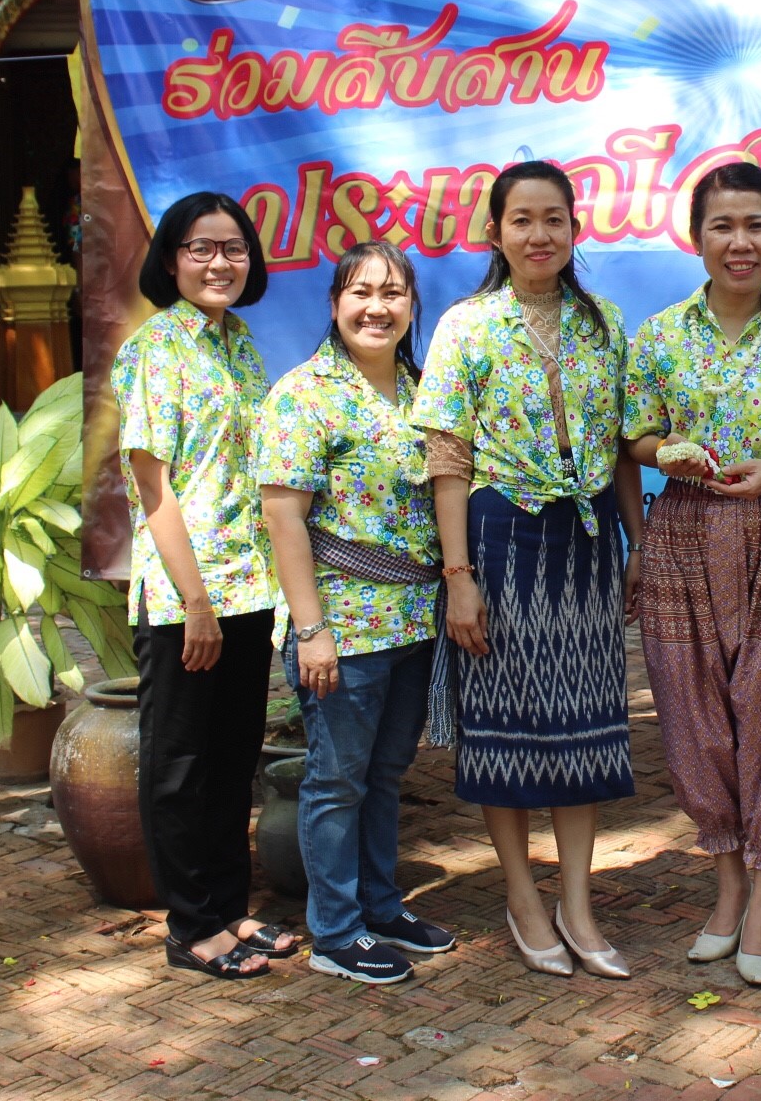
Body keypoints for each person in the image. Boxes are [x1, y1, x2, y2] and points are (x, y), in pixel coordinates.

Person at [410, 160, 645, 980]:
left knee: (583, 725)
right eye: (522, 220)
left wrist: (637, 543)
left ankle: (577, 902)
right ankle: (521, 896)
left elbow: (620, 449)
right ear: (495, 231)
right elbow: (447, 457)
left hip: (585, 544)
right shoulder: (465, 326)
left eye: (554, 219)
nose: (539, 235)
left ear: (575, 228)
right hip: (499, 538)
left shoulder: (605, 324)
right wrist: (459, 575)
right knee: (505, 727)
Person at [625, 161, 761, 986]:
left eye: (755, 225)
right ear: (697, 238)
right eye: (722, 226)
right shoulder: (657, 337)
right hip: (682, 533)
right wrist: (667, 454)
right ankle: (725, 887)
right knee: (695, 712)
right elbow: (637, 437)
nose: (740, 242)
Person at [257, 241, 457, 986]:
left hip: (413, 620)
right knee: (336, 779)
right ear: (335, 302)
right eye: (362, 292)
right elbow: (285, 521)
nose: (378, 307)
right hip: (342, 625)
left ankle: (380, 904)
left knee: (384, 773)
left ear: (412, 306)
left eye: (394, 293)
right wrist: (312, 632)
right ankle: (335, 931)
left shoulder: (422, 391)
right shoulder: (303, 395)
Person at [112, 191, 298, 980]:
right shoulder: (157, 349)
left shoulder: (239, 344)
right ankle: (190, 926)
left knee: (230, 761)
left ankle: (228, 908)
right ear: (170, 259)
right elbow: (153, 488)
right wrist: (194, 602)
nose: (219, 263)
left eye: (233, 248)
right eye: (200, 248)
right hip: (187, 595)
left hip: (249, 585)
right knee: (180, 764)